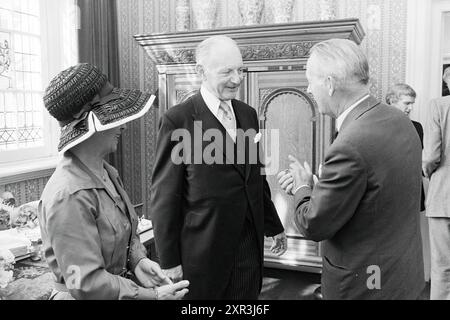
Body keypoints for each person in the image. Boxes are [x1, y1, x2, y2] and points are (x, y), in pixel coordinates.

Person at [277, 39, 425, 299]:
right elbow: (374, 191)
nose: (309, 89)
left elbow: (314, 225)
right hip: (401, 277)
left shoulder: (350, 144)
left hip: (366, 285)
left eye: (311, 80)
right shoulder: (401, 120)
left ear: (330, 84)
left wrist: (302, 187)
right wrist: (321, 187)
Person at [150, 35, 287, 300]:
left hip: (248, 246)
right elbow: (165, 197)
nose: (236, 79)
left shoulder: (247, 115)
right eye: (227, 71)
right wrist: (169, 260)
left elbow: (255, 179)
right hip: (203, 253)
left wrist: (274, 225)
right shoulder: (178, 120)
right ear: (201, 71)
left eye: (240, 70)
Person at [38, 63, 189, 300]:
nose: (124, 125)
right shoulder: (68, 195)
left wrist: (138, 260)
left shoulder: (107, 172)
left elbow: (123, 237)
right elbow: (85, 283)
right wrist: (153, 295)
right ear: (92, 122)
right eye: (114, 117)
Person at [423, 66, 450, 299]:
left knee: (442, 264)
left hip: (443, 194)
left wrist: (428, 171)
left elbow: (431, 155)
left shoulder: (438, 105)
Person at [385, 83, 425, 212]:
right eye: (407, 103)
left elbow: (422, 158)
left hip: (412, 190)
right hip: (387, 191)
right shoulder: (378, 127)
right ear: (392, 101)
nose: (411, 108)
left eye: (412, 103)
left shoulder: (417, 127)